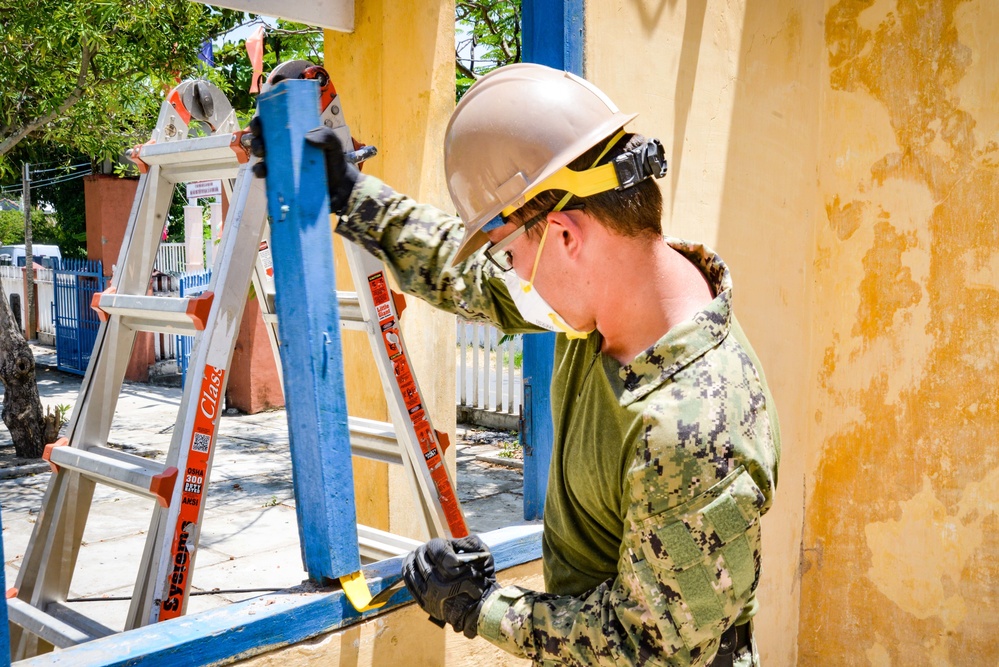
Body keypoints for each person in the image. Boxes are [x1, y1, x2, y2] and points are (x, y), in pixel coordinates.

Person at [251, 63, 780, 667]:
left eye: (508, 253)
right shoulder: (614, 295)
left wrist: (484, 606)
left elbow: (649, 648)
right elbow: (470, 277)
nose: (504, 272)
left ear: (564, 235)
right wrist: (352, 197)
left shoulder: (694, 423)